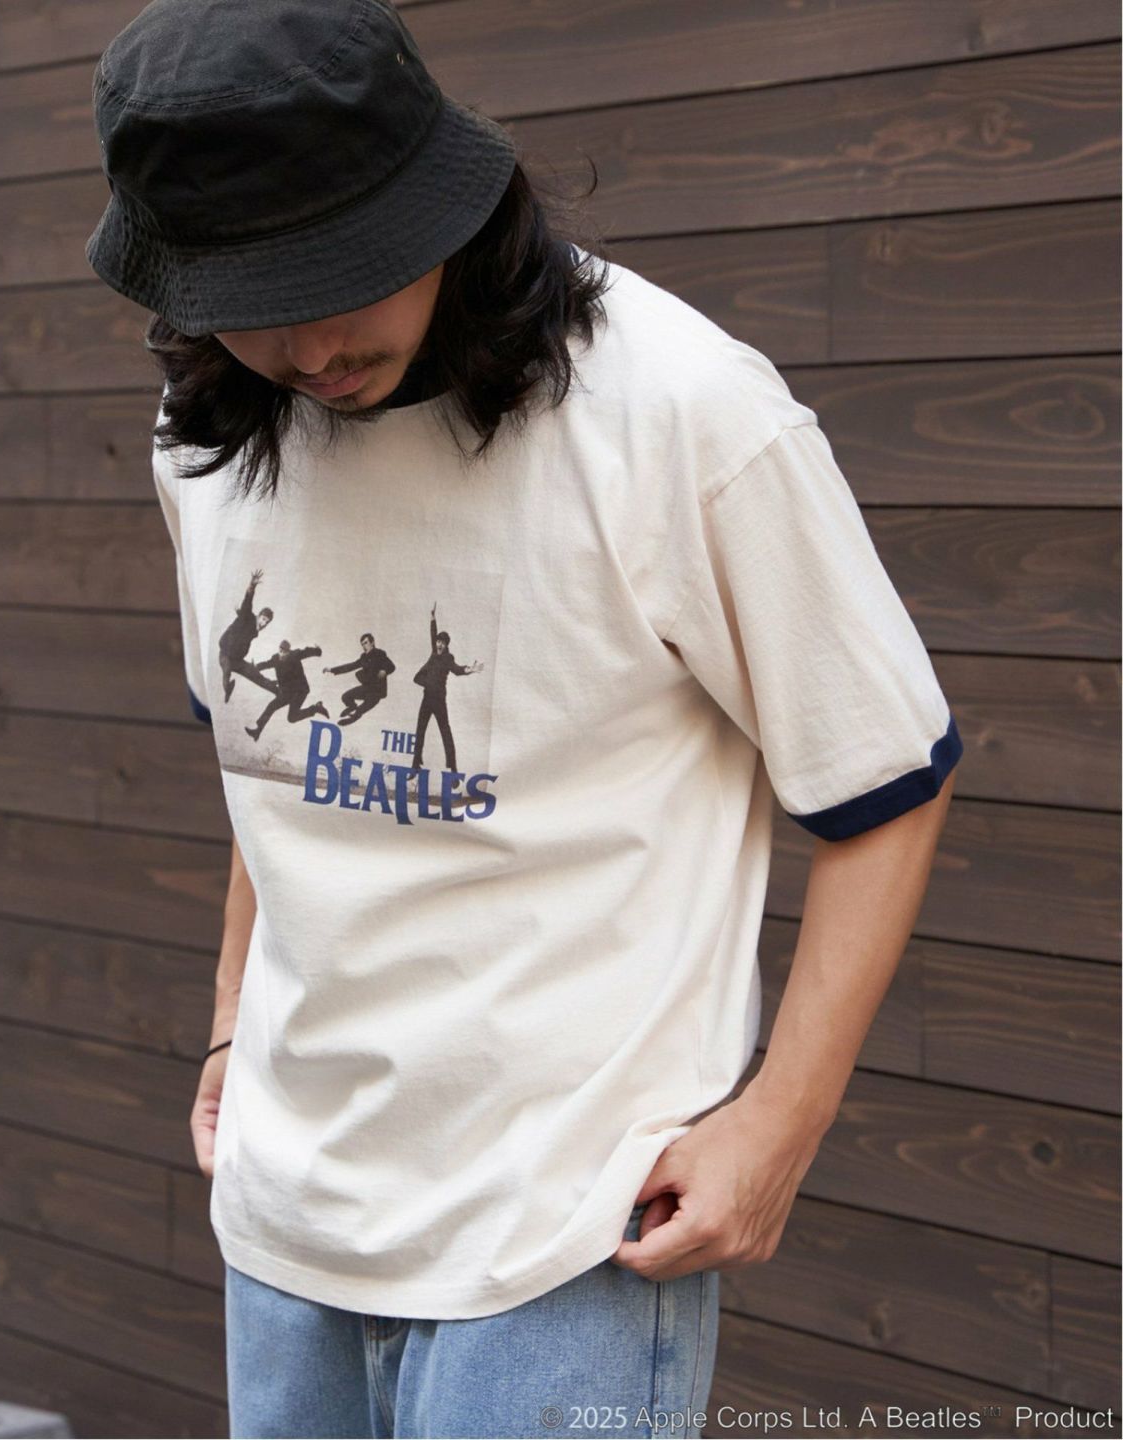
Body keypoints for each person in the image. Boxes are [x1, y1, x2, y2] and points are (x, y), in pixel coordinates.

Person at [85, 2, 964, 1437]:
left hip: (568, 1235)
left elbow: (888, 781)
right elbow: (278, 765)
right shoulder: (212, 435)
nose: (310, 344)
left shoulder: (680, 410)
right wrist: (232, 1029)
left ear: (441, 203)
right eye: (253, 296)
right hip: (285, 1215)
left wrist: (779, 1123)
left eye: (340, 275)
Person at [410, 603, 483, 773]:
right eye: (438, 642)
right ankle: (415, 764)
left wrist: (469, 669)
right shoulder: (433, 653)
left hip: (439, 700)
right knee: (420, 729)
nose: (439, 645)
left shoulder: (448, 658)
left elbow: (457, 669)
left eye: (442, 643)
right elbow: (432, 633)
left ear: (446, 645)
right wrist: (432, 618)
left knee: (445, 731)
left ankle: (453, 768)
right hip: (427, 698)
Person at [245, 639, 329, 742]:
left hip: (300, 691)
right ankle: (257, 731)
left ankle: (316, 708)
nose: (282, 654)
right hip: (287, 692)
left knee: (291, 718)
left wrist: (317, 651)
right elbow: (266, 664)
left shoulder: (295, 655)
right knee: (272, 706)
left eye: (284, 652)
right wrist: (256, 667)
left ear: (288, 651)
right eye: (280, 651)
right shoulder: (276, 658)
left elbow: (307, 652)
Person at [218, 569, 276, 703]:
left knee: (256, 676)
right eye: (263, 619)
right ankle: (228, 688)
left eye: (266, 622)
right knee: (227, 670)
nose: (263, 623)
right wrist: (252, 586)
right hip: (225, 655)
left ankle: (278, 691)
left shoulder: (255, 630)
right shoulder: (248, 617)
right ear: (258, 615)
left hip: (238, 661)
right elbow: (247, 604)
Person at [323, 631, 396, 726]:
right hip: (366, 688)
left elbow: (392, 666)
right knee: (345, 697)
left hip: (376, 692)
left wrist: (384, 670)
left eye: (366, 643)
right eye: (362, 644)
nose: (364, 646)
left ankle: (353, 717)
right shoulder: (363, 657)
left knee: (359, 710)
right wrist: (332, 670)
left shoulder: (380, 654)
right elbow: (351, 666)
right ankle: (352, 706)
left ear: (372, 642)